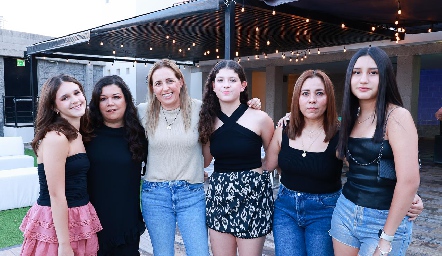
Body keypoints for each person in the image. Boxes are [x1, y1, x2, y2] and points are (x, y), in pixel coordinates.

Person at [137, 59, 262, 256]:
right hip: (155, 195)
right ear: (152, 88)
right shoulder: (142, 112)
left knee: (199, 252)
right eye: (158, 83)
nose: (165, 88)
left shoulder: (201, 109)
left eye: (170, 81)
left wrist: (250, 104)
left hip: (191, 193)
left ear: (181, 81)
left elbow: (231, 111)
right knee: (163, 253)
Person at [330, 46, 421, 256]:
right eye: (357, 72)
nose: (363, 79)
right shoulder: (351, 118)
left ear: (385, 77)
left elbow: (409, 180)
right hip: (345, 212)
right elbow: (358, 163)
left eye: (373, 72)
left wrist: (386, 238)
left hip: (384, 220)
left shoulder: (397, 116)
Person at [20, 74, 102, 255]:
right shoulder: (56, 138)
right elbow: (56, 195)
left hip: (79, 215)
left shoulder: (78, 134)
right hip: (58, 223)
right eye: (65, 98)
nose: (75, 100)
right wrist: (64, 245)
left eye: (77, 93)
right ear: (53, 106)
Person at [198, 60, 275, 256]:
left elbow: (272, 159)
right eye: (220, 80)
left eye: (232, 80)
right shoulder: (208, 120)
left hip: (253, 198)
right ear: (213, 86)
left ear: (242, 85)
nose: (226, 84)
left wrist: (255, 178)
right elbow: (206, 161)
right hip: (219, 196)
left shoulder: (260, 118)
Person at [265, 69, 342, 256]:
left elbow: (364, 172)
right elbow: (266, 166)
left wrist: (405, 195)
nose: (312, 100)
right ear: (297, 98)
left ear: (329, 98)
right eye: (305, 93)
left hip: (325, 212)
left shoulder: (340, 134)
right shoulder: (284, 129)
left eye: (319, 93)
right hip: (286, 209)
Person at [86, 75, 148, 255]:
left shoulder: (139, 134)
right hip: (93, 222)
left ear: (126, 100)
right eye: (103, 99)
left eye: (116, 97)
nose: (109, 103)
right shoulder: (86, 134)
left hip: (126, 221)